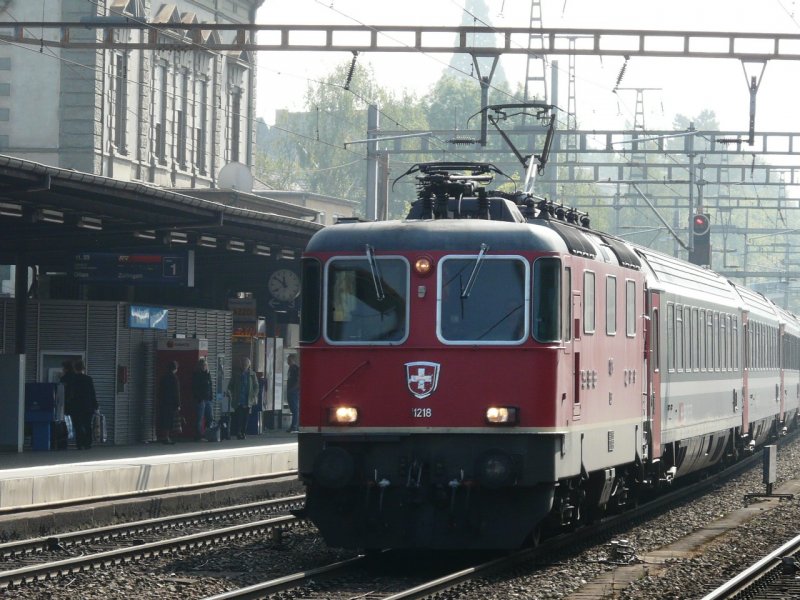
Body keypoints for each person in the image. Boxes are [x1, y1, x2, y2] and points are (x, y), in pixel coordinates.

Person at [227, 357, 258, 440]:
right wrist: (230, 392)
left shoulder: (252, 374)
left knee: (246, 417)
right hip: (239, 399)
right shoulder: (236, 374)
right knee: (239, 417)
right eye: (243, 364)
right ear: (241, 365)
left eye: (246, 364)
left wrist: (254, 394)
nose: (245, 365)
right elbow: (230, 385)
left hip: (248, 400)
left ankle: (243, 432)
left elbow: (256, 386)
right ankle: (238, 432)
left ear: (249, 365)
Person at [69, 359, 98, 450]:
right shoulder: (88, 379)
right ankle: (88, 443)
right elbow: (92, 393)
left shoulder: (72, 379)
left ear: (75, 369)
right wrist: (95, 405)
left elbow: (70, 393)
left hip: (76, 406)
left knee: (77, 425)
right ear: (83, 368)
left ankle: (79, 444)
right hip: (87, 406)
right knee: (87, 425)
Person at [159, 360, 181, 444]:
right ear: (175, 368)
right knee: (169, 420)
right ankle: (166, 437)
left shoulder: (164, 377)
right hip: (171, 403)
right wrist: (178, 404)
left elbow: (160, 390)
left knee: (164, 419)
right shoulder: (174, 378)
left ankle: (164, 436)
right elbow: (176, 392)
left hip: (163, 401)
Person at [192, 357, 213, 441]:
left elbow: (210, 386)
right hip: (200, 399)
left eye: (205, 365)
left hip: (207, 399)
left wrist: (211, 396)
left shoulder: (208, 374)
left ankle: (207, 433)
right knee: (199, 418)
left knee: (209, 417)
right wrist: (198, 397)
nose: (204, 366)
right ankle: (198, 435)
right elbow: (195, 387)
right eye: (203, 365)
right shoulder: (197, 375)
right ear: (200, 366)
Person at [286, 354, 300, 433]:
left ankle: (294, 426)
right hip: (290, 390)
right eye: (288, 360)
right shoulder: (290, 368)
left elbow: (299, 380)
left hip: (294, 391)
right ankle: (293, 425)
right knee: (292, 408)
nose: (288, 361)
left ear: (293, 360)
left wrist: (294, 389)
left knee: (295, 409)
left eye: (289, 360)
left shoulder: (295, 368)